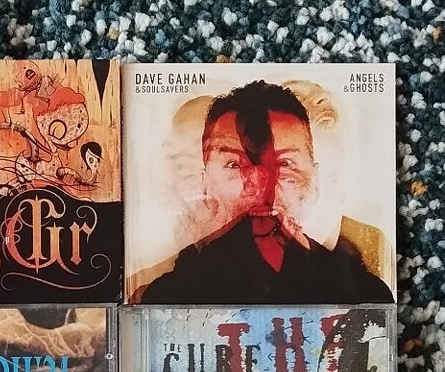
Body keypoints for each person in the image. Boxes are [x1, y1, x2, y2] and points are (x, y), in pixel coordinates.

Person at [134, 80, 391, 305]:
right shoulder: (165, 297)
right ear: (206, 183)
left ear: (314, 181)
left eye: (283, 164)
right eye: (235, 165)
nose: (259, 186)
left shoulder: (364, 295)